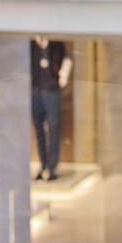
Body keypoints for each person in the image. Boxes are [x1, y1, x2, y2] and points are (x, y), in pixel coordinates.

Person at [31, 37, 71, 181]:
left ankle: (52, 168)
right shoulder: (30, 45)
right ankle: (43, 166)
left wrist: (63, 77)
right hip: (35, 91)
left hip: (52, 90)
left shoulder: (56, 43)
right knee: (39, 129)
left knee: (53, 127)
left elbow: (67, 59)